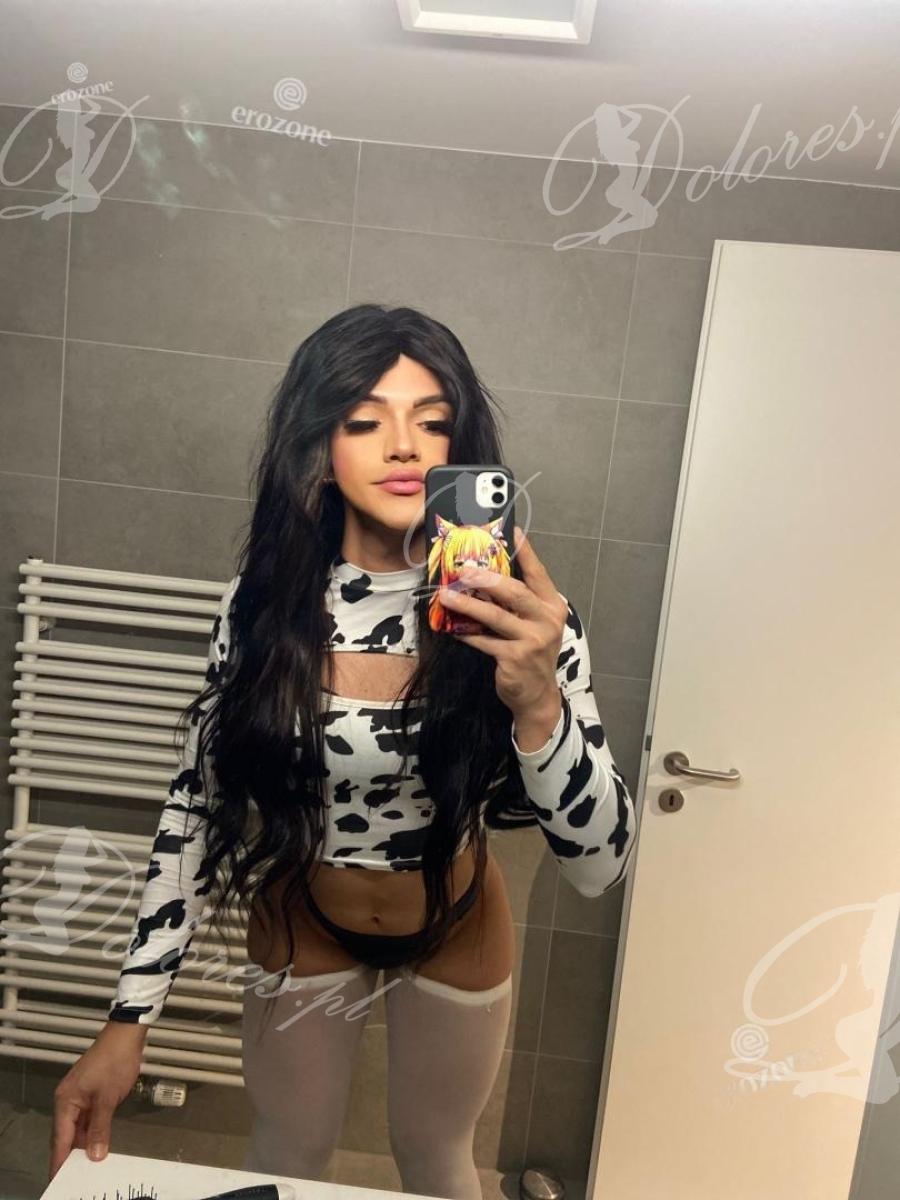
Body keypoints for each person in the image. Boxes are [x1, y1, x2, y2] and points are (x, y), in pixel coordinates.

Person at [50, 304, 636, 1196]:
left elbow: (599, 867)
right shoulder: (261, 605)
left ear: (463, 448)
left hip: (457, 921)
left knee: (438, 1159)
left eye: (432, 421)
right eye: (364, 420)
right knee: (287, 1154)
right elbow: (196, 805)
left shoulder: (526, 616)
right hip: (303, 919)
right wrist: (127, 1021)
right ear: (319, 446)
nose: (402, 446)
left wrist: (537, 700)